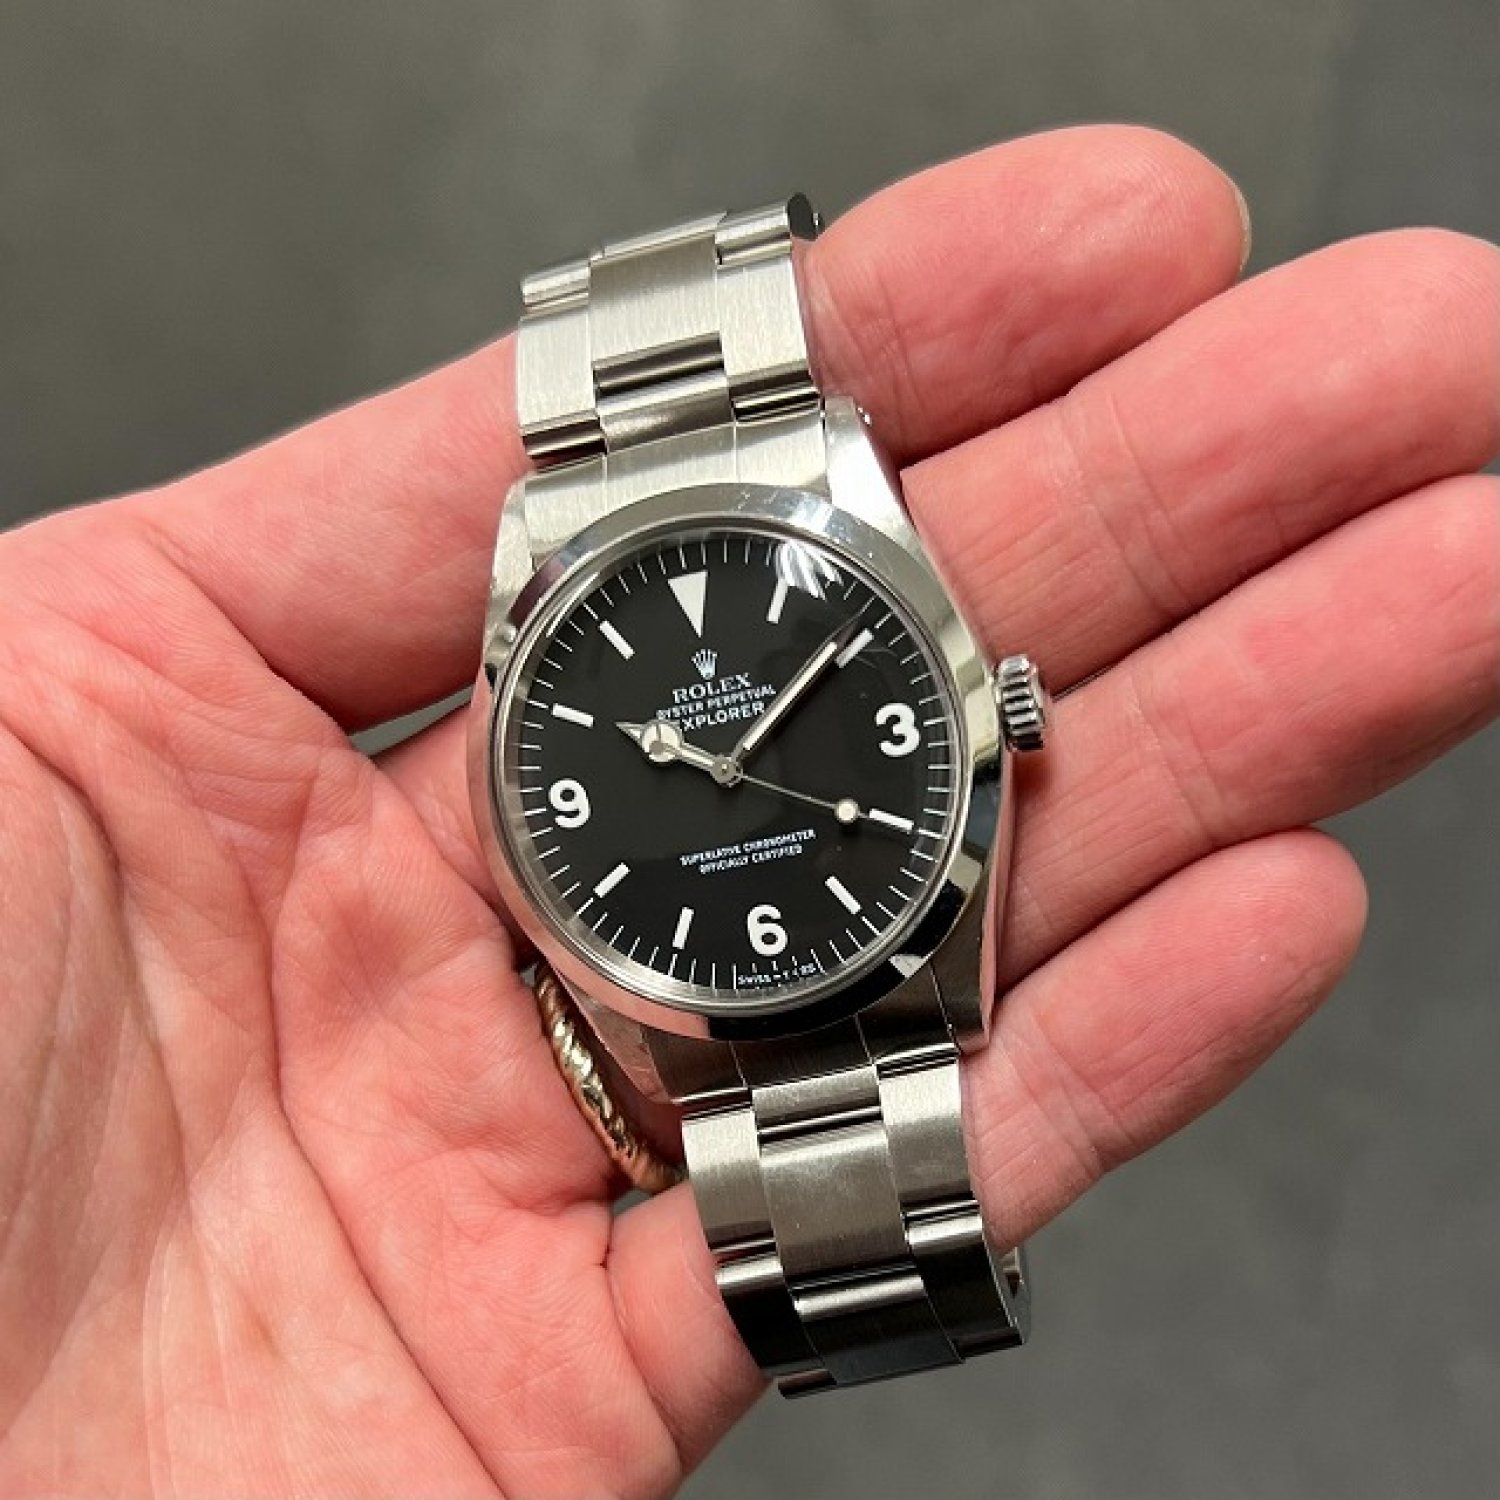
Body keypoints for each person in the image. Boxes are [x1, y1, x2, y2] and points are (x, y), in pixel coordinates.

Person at [0, 124, 1495, 1497]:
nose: (723, 773)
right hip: (705, 969)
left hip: (829, 911)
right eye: (691, 760)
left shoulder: (844, 542)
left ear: (993, 710)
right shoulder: (560, 719)